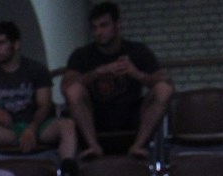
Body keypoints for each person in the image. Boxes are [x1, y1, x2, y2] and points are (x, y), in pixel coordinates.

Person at [61, 2, 173, 160]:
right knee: (74, 91)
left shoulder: (137, 51)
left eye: (104, 25)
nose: (98, 32)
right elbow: (66, 87)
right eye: (94, 27)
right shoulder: (82, 55)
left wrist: (137, 74)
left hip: (132, 117)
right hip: (95, 119)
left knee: (163, 90)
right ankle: (93, 146)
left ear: (118, 25)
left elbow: (167, 81)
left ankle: (138, 146)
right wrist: (98, 73)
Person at [0, 21, 78, 170]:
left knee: (67, 125)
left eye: (1, 43)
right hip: (6, 130)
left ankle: (67, 171)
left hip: (39, 126)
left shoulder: (36, 69)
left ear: (16, 44)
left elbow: (45, 105)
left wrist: (32, 128)